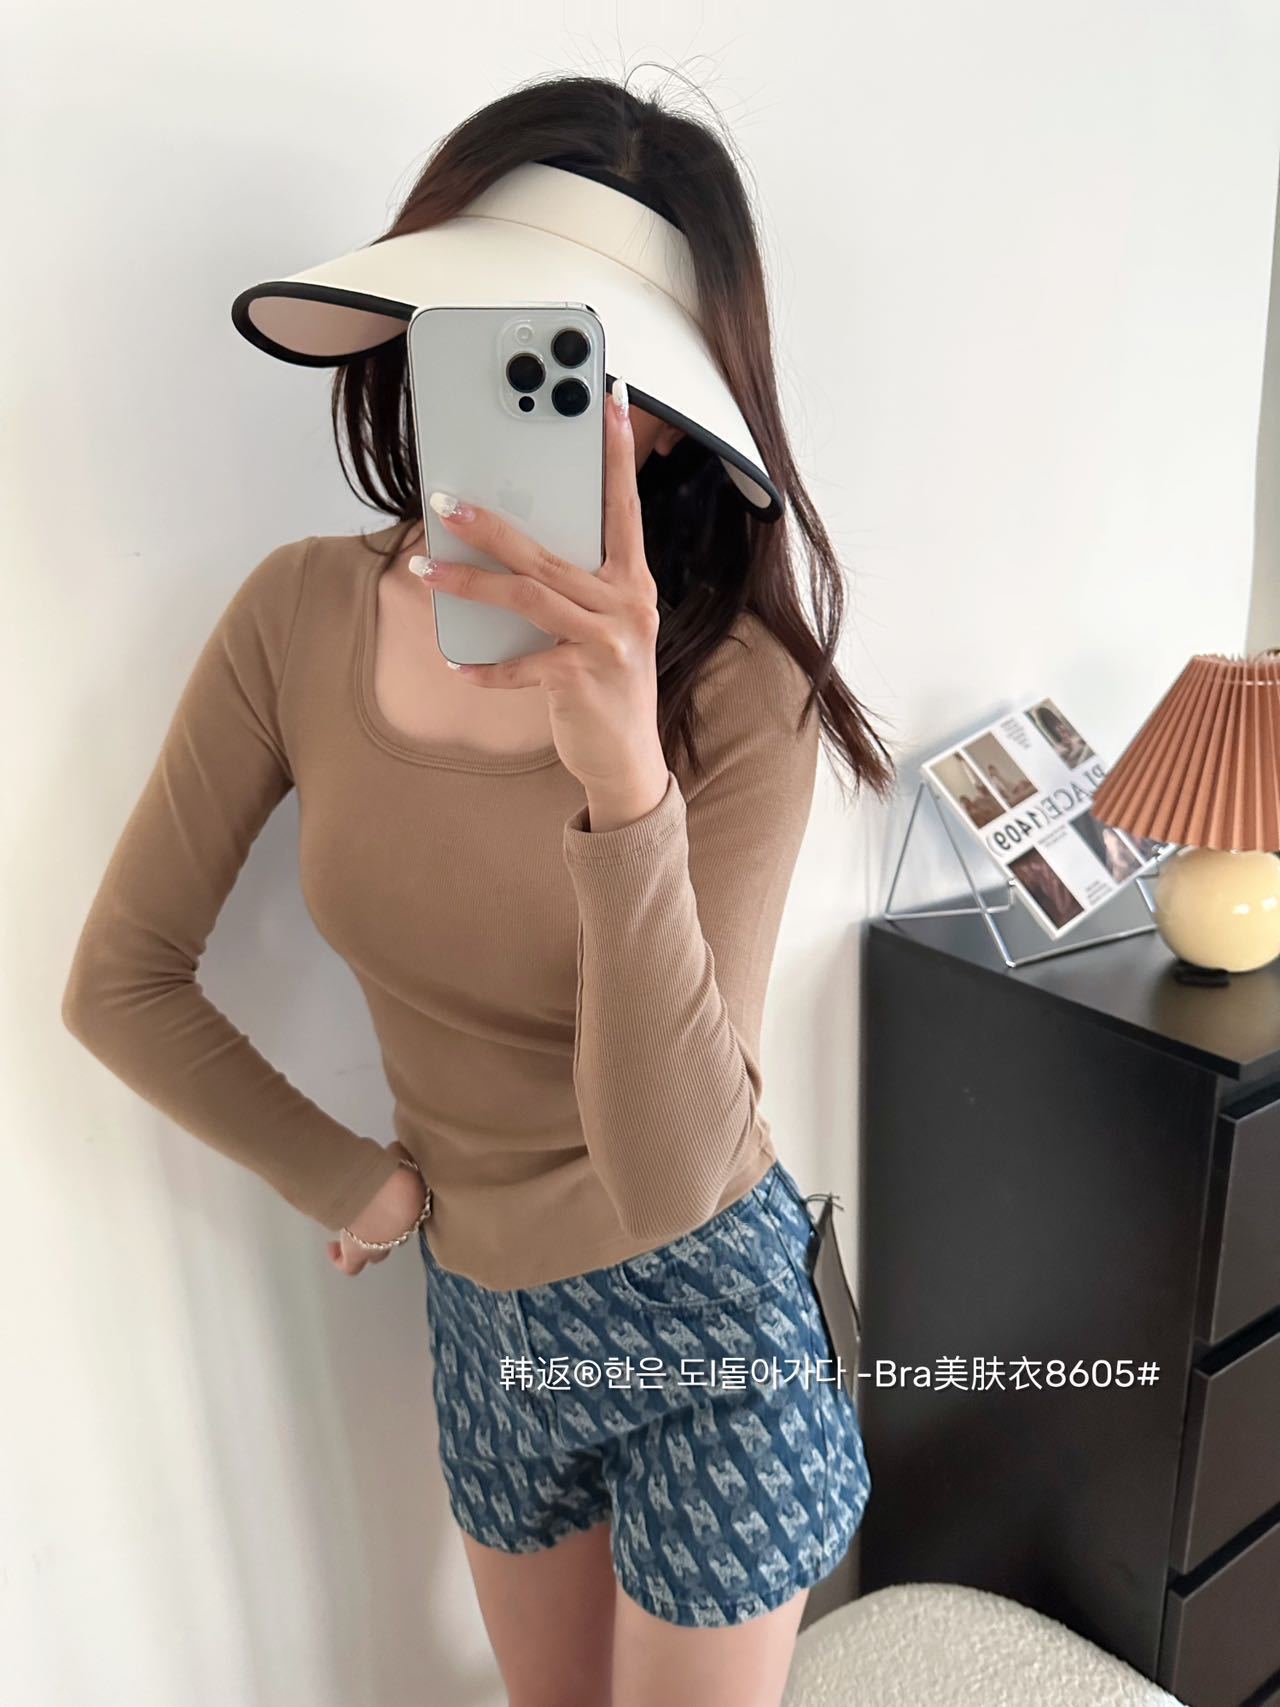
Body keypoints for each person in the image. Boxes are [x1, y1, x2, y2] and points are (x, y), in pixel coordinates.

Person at [61, 71, 897, 1707]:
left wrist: (624, 782)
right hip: (485, 1318)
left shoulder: (739, 690)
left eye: (595, 371)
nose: (540, 406)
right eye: (482, 335)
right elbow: (123, 979)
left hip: (710, 1318)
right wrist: (348, 1181)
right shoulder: (295, 619)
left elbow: (673, 1174)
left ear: (665, 419)